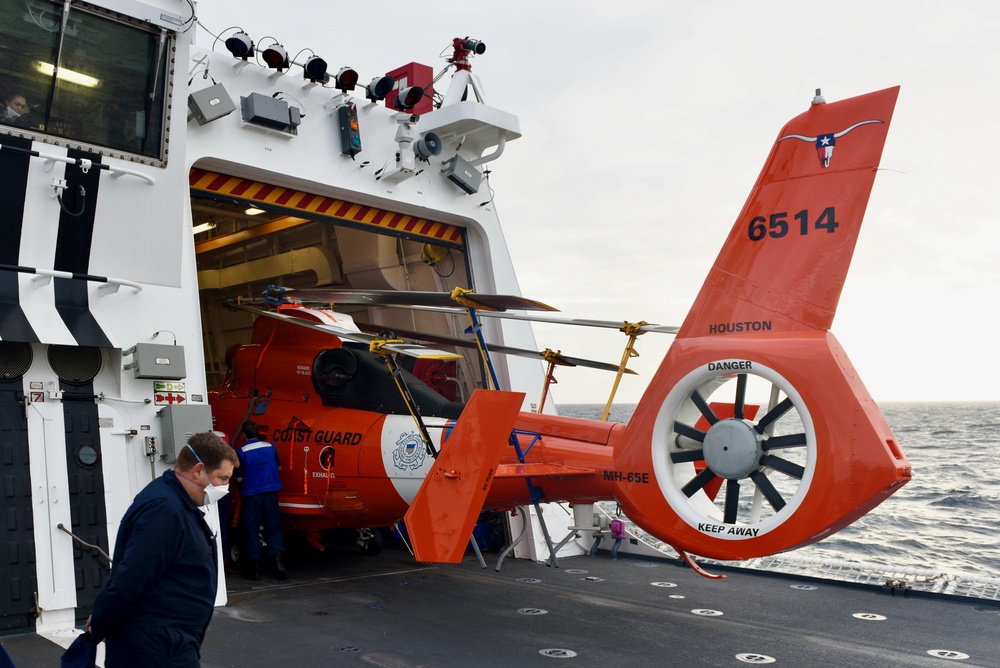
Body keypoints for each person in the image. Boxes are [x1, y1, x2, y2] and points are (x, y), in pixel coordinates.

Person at [87, 432, 237, 667]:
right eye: (222, 478)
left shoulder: (175, 501)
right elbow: (130, 578)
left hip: (169, 642)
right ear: (198, 470)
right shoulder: (165, 510)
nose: (225, 487)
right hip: (154, 649)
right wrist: (100, 622)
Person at [236, 420, 287, 580]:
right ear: (258, 433)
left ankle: (254, 569)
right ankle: (278, 565)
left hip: (252, 495)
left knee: (251, 530)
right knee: (274, 528)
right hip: (271, 492)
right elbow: (279, 467)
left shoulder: (241, 452)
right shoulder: (270, 447)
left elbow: (238, 478)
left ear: (243, 435)